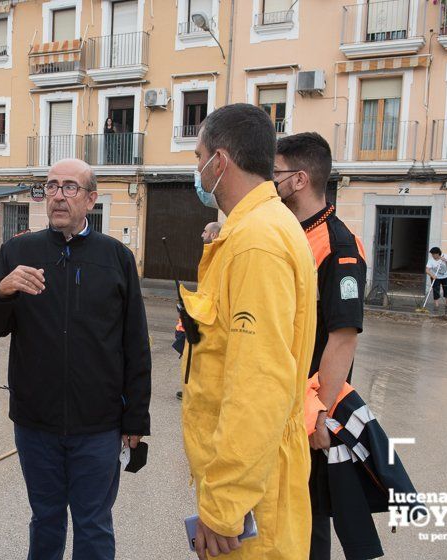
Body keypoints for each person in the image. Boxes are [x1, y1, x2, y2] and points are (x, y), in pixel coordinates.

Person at [0, 158, 151, 560]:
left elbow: (135, 344)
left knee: (94, 523)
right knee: (46, 519)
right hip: (37, 424)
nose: (57, 195)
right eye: (52, 186)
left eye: (70, 187)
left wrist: (136, 419)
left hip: (99, 426)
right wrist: (2, 291)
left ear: (90, 199)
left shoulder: (116, 258)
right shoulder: (19, 251)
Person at [179, 104, 316, 559]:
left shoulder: (256, 243)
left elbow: (258, 385)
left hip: (253, 495)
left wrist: (224, 504)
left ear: (220, 162)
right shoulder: (256, 230)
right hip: (255, 479)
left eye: (198, 157)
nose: (196, 169)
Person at [275, 132, 368, 560]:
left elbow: (342, 338)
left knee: (308, 520)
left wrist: (322, 416)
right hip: (279, 401)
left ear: (299, 179)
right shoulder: (290, 233)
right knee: (278, 515)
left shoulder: (339, 244)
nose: (267, 183)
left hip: (309, 409)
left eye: (274, 174)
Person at [175, 221, 222, 400]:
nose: (202, 235)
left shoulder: (219, 256)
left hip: (208, 321)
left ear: (213, 235)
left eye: (205, 231)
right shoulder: (210, 255)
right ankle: (191, 388)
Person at [426, 247, 447, 312]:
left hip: (446, 277)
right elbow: (427, 270)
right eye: (432, 254)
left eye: (433, 254)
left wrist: (445, 260)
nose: (432, 255)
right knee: (436, 291)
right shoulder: (431, 260)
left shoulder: (445, 256)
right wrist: (432, 275)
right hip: (435, 277)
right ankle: (436, 306)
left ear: (438, 254)